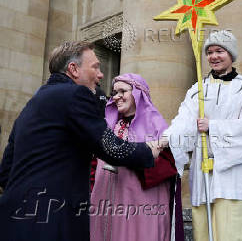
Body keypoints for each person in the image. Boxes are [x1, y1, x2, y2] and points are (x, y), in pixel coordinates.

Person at [0, 42, 159, 241]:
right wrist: (147, 151)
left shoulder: (33, 103)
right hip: (52, 222)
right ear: (73, 69)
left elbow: (5, 171)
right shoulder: (76, 94)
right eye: (95, 67)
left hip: (13, 219)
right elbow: (108, 146)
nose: (101, 75)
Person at [159, 30, 242, 241]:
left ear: (231, 54)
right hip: (202, 176)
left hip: (233, 178)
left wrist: (212, 127)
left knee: (234, 234)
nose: (213, 56)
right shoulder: (198, 89)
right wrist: (164, 140)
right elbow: (183, 122)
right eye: (209, 52)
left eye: (220, 51)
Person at [90, 73, 182, 241]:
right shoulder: (107, 125)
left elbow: (167, 166)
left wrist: (135, 158)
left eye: (122, 91)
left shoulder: (156, 126)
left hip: (140, 204)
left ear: (137, 94)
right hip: (104, 203)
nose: (116, 97)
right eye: (114, 92)